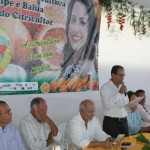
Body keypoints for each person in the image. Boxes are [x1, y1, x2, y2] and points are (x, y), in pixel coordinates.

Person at [59, 0, 98, 80]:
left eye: (82, 22)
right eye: (72, 20)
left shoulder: (89, 61)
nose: (75, 29)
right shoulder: (67, 54)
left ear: (90, 27)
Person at [100, 65, 129, 138]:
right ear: (113, 75)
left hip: (124, 121)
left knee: (126, 144)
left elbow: (125, 103)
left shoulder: (122, 86)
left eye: (123, 75)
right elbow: (108, 105)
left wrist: (130, 106)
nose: (122, 77)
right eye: (120, 75)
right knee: (113, 146)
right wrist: (119, 93)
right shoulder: (105, 87)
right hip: (111, 122)